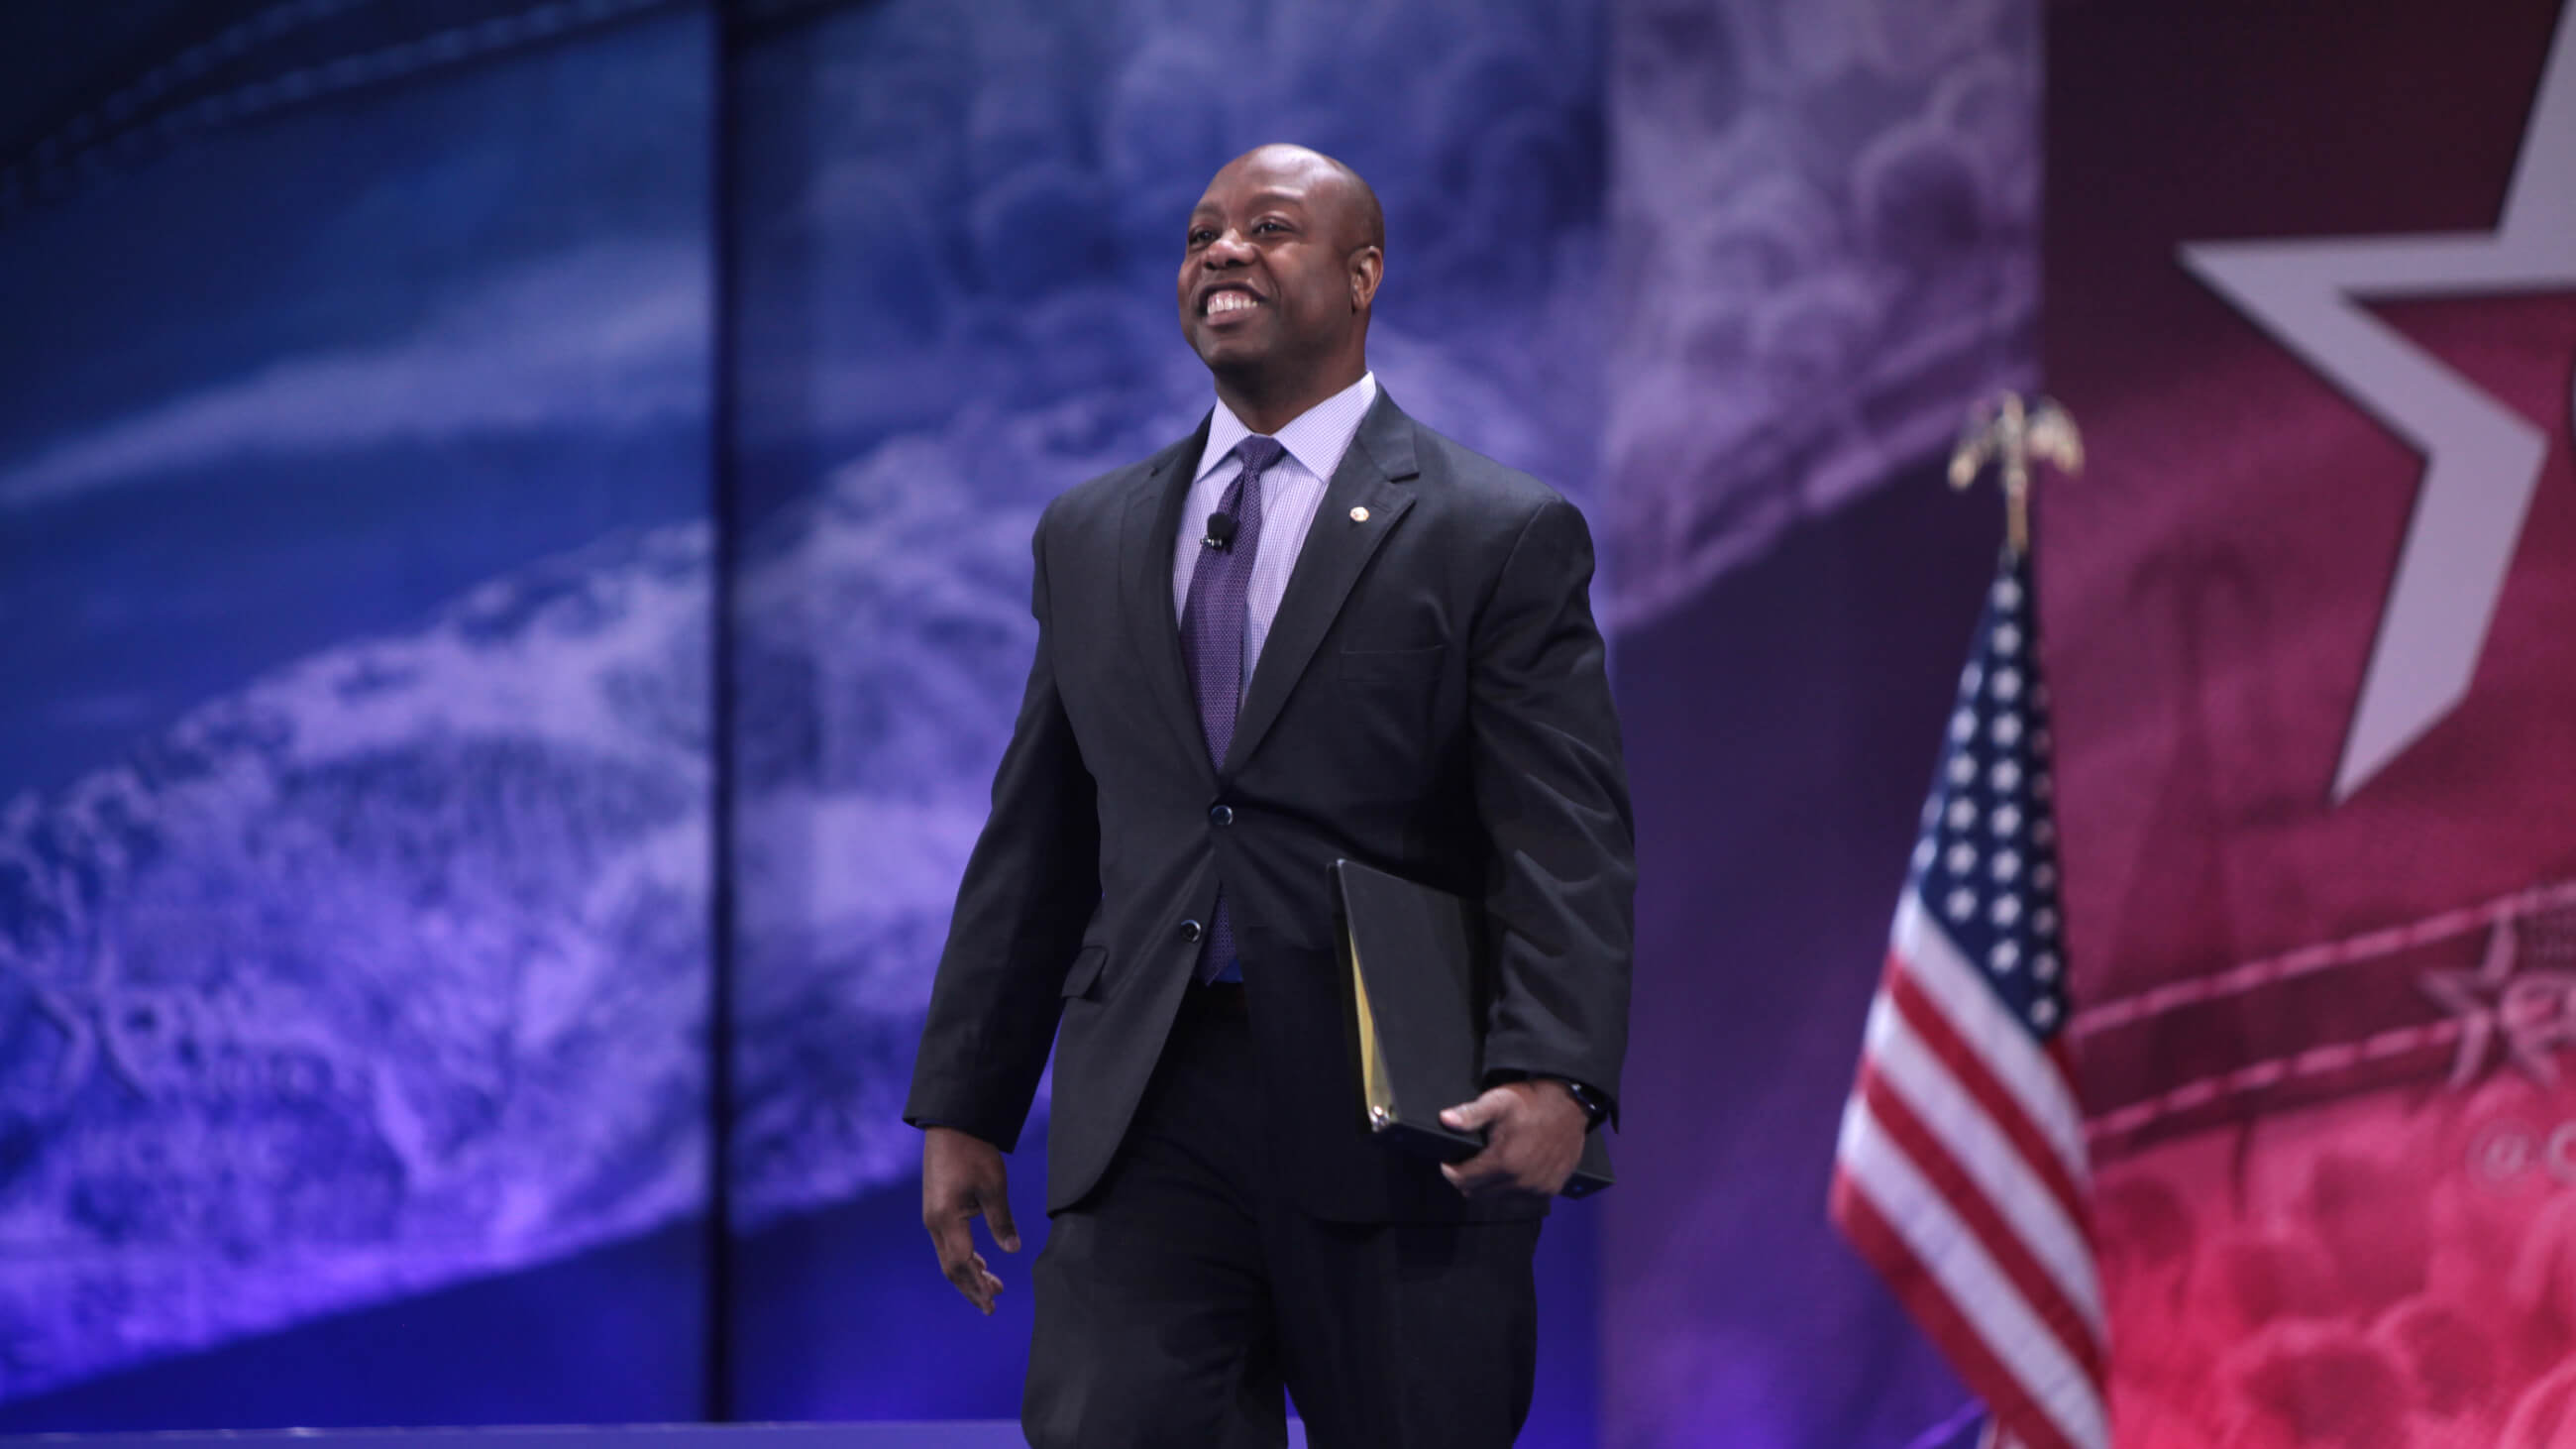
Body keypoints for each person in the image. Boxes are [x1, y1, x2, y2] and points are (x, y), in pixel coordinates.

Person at [904, 143, 1635, 1449]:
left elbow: (1562, 834)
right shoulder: (1091, 533)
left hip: (1401, 1117)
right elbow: (1039, 839)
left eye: (1269, 228)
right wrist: (969, 1098)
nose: (1222, 251)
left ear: (1363, 277)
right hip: (1152, 1108)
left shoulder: (1496, 530)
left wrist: (1555, 1071)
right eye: (1200, 233)